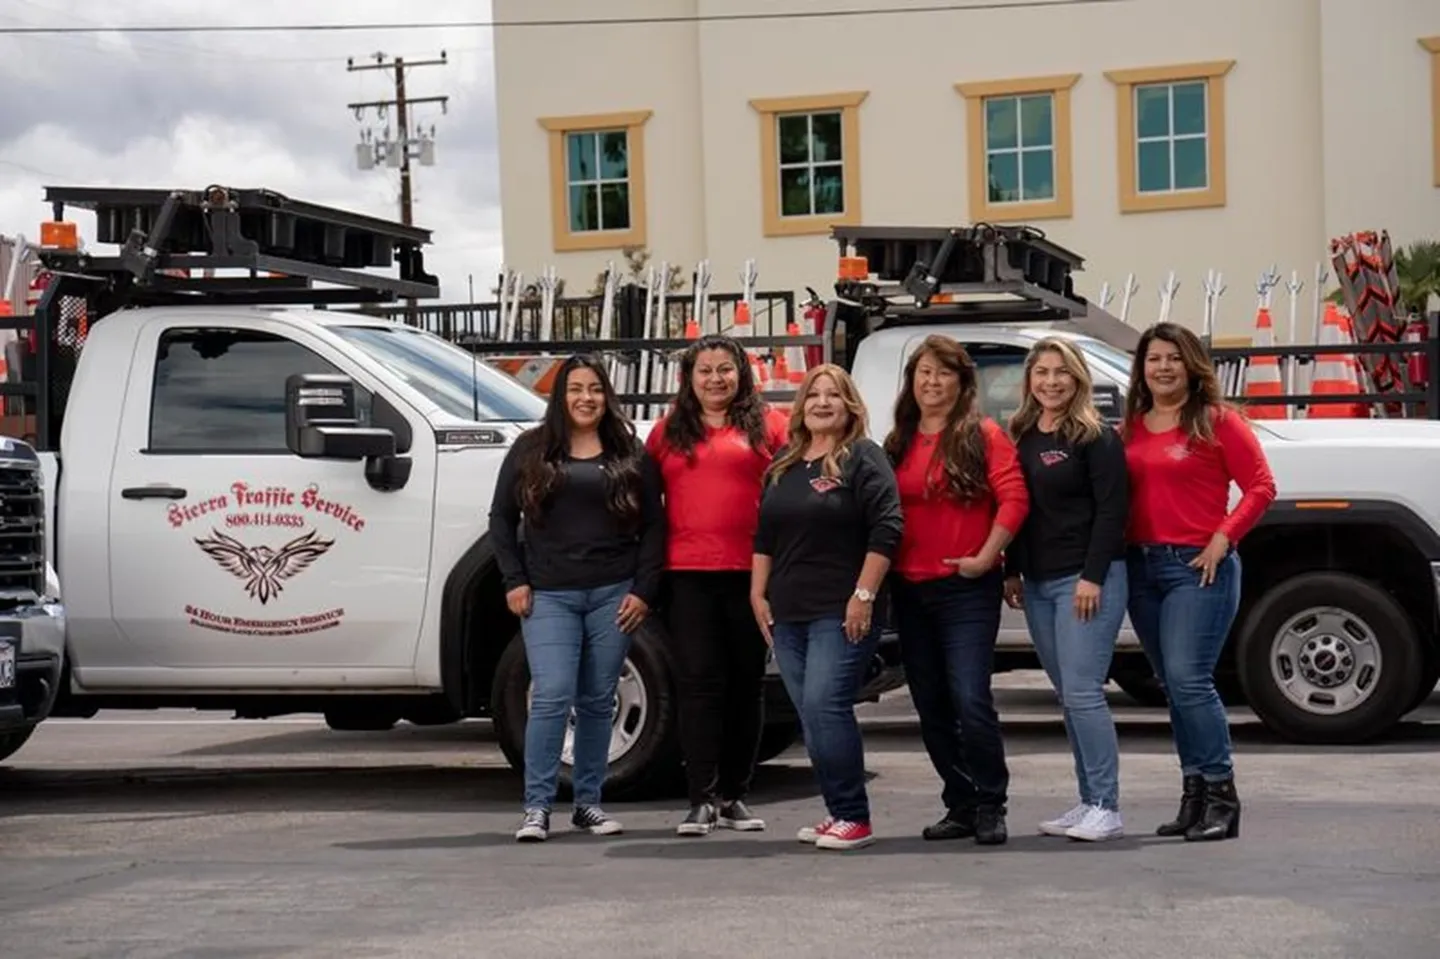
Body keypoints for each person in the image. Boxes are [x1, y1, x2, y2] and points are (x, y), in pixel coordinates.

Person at [488, 353, 667, 843]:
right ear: (560, 396)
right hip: (549, 595)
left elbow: (655, 525)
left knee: (596, 701)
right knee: (551, 696)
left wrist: (643, 591)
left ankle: (588, 804)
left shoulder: (628, 451)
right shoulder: (530, 450)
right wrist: (514, 580)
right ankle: (537, 808)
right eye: (576, 389)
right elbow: (501, 519)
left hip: (613, 593)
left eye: (594, 389)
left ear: (606, 396)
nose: (586, 398)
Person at [1121, 322, 1276, 843]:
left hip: (1198, 567)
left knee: (1190, 680)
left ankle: (1222, 797)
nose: (1162, 367)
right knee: (1174, 687)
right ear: (1141, 369)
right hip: (1142, 570)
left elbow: (1261, 486)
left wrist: (1223, 538)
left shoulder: (1216, 421)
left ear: (1191, 366)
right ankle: (1193, 797)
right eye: (1152, 359)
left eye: (1173, 358)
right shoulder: (1132, 427)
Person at [883, 334, 1029, 846]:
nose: (932, 382)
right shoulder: (898, 440)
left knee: (970, 697)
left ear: (962, 382)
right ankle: (960, 802)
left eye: (943, 373)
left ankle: (992, 802)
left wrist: (988, 557)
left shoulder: (983, 434)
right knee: (930, 703)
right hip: (910, 590)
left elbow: (1013, 499)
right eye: (923, 372)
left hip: (966, 588)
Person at [751, 363, 904, 851]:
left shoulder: (863, 456)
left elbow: (888, 528)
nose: (821, 403)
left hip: (841, 611)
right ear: (801, 408)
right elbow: (766, 535)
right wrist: (758, 593)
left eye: (832, 396)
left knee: (826, 704)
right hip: (787, 610)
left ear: (849, 406)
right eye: (813, 395)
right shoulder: (786, 462)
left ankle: (854, 816)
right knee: (809, 711)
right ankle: (837, 811)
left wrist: (863, 595)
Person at [645, 334, 790, 837]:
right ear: (689, 378)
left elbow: (791, 493)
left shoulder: (771, 425)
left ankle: (735, 796)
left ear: (741, 373)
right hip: (687, 577)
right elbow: (645, 509)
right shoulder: (667, 433)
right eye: (704, 370)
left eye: (724, 369)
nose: (715, 379)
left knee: (746, 687)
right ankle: (701, 798)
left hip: (753, 576)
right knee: (699, 686)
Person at [1003, 337, 1130, 842]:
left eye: (1061, 372)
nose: (1051, 381)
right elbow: (1022, 511)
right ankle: (1086, 800)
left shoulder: (1096, 436)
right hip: (1038, 584)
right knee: (1068, 697)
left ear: (1077, 378)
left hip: (1086, 581)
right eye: (1042, 372)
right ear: (1029, 380)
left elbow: (1112, 512)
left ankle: (1107, 805)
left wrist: (1092, 576)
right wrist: (1012, 569)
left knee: (1083, 693)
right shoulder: (1024, 434)